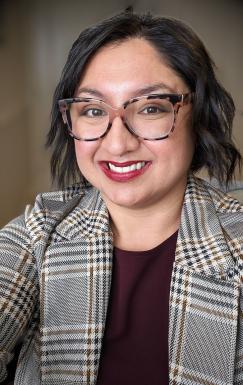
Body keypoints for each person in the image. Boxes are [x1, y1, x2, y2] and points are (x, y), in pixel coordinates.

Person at [0, 8, 243, 385]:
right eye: (94, 110)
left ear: (200, 115)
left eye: (150, 108)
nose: (117, 143)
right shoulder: (36, 235)